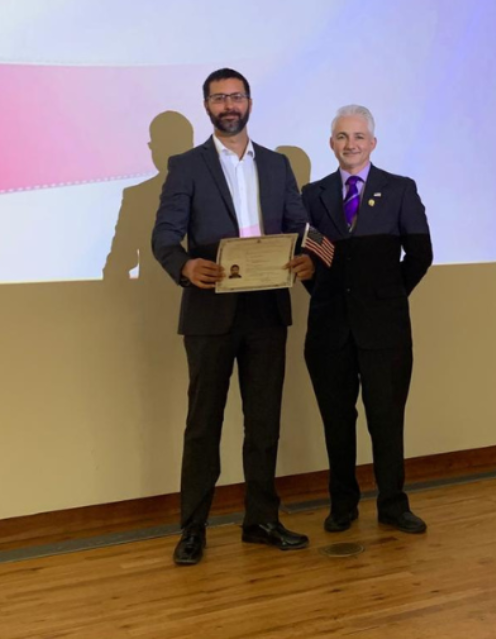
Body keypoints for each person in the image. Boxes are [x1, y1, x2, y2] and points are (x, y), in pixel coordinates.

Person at [152, 68, 314, 565]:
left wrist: (308, 255)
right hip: (210, 310)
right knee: (203, 424)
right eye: (219, 98)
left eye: (236, 96)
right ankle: (193, 529)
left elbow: (298, 226)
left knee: (263, 422)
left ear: (249, 102)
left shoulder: (277, 165)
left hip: (267, 309)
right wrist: (183, 265)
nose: (229, 105)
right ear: (206, 107)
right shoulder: (185, 166)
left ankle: (261, 520)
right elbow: (164, 237)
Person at [301, 105, 433, 534]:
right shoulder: (312, 195)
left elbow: (420, 254)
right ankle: (343, 505)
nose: (350, 144)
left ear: (372, 143)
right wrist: (329, 296)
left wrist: (387, 296)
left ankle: (393, 504)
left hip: (385, 329)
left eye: (358, 137)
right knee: (337, 422)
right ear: (331, 144)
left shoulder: (399, 189)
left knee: (386, 419)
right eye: (342, 136)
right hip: (329, 330)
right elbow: (310, 262)